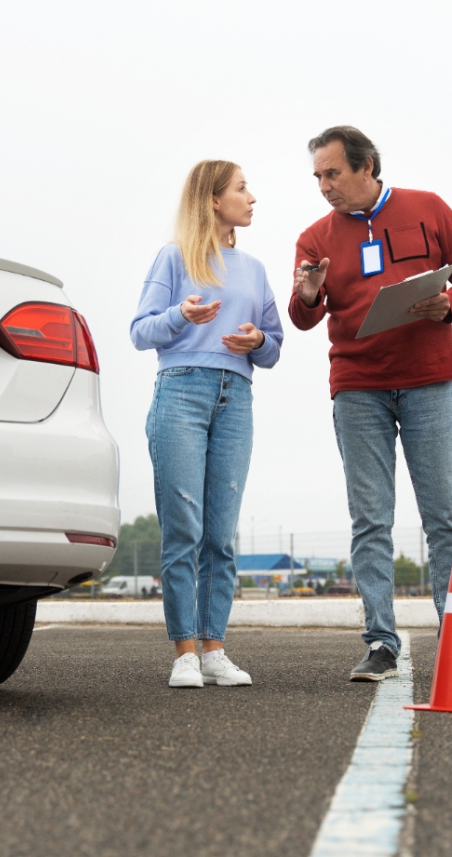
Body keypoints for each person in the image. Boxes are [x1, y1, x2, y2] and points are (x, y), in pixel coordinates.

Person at [288, 126, 452, 682]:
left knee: (445, 517)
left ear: (367, 167)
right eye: (317, 176)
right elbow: (302, 316)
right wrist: (309, 294)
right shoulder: (314, 237)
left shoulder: (429, 208)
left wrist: (450, 304)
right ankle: (381, 643)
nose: (324, 186)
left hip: (429, 384)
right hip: (357, 389)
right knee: (371, 521)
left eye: (332, 173)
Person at [131, 160, 284, 689]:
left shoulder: (255, 269)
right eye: (243, 188)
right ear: (214, 200)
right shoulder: (173, 257)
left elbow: (273, 345)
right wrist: (181, 316)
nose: (252, 197)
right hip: (181, 392)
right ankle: (185, 654)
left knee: (220, 535)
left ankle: (216, 648)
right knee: (184, 531)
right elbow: (140, 331)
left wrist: (257, 342)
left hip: (235, 396)